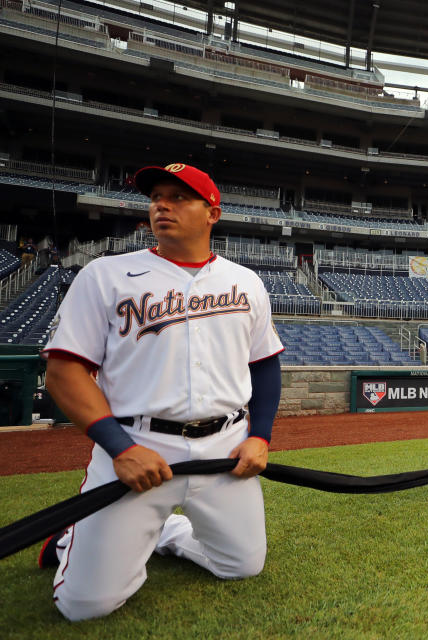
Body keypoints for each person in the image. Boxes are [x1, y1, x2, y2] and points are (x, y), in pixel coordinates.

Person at [39, 163, 284, 621]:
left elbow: (265, 365)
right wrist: (119, 448)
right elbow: (63, 372)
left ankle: (165, 533)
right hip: (137, 446)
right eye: (156, 197)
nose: (161, 205)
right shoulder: (105, 275)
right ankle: (76, 535)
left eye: (179, 197)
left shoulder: (247, 281)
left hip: (224, 448)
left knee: (241, 566)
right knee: (85, 606)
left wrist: (261, 435)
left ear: (213, 213)